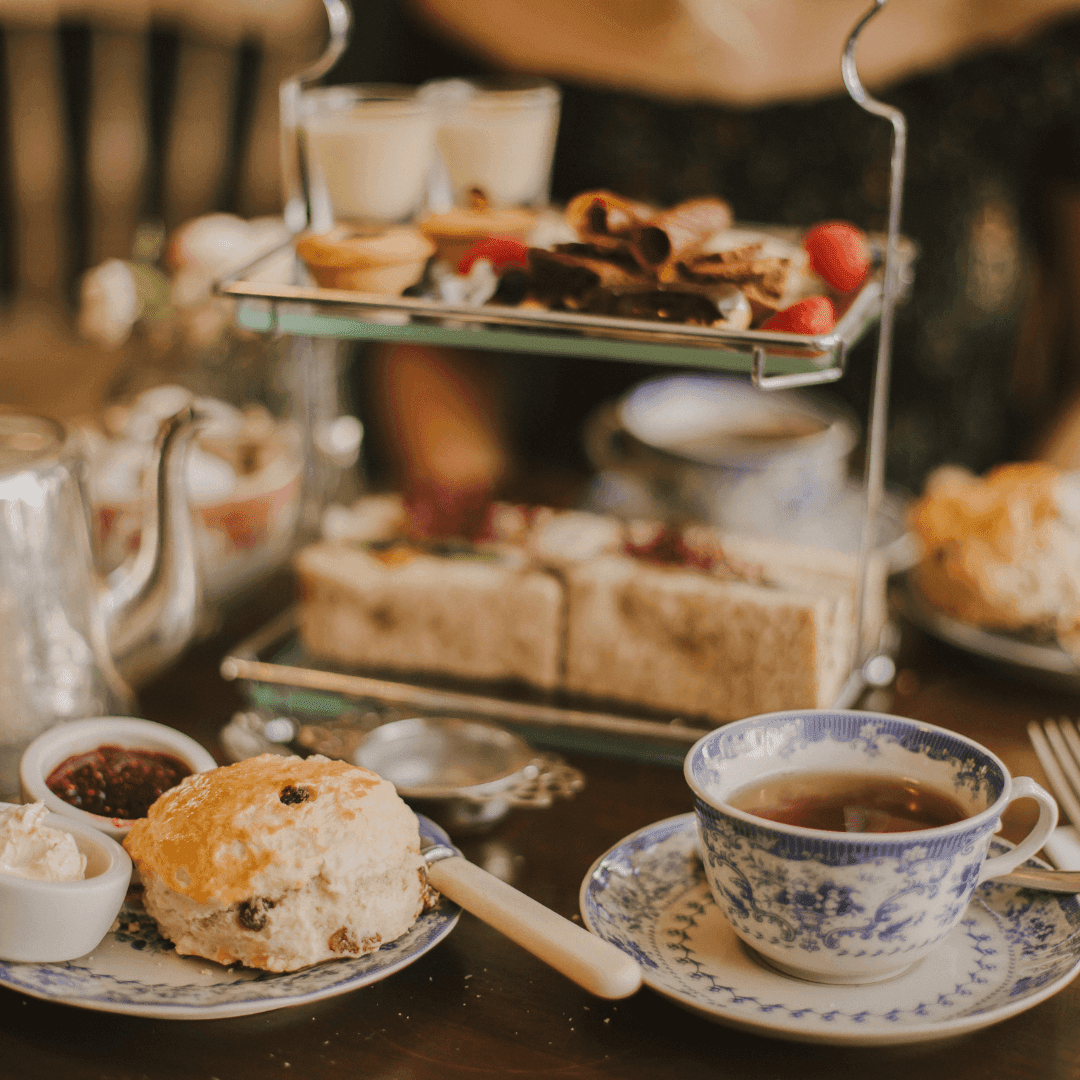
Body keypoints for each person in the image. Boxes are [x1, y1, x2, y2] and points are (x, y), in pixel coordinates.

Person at [339, 0, 1080, 498]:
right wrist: (481, 533)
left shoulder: (1029, 26)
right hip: (574, 521)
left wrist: (1002, 549)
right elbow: (428, 320)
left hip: (927, 556)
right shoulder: (463, 18)